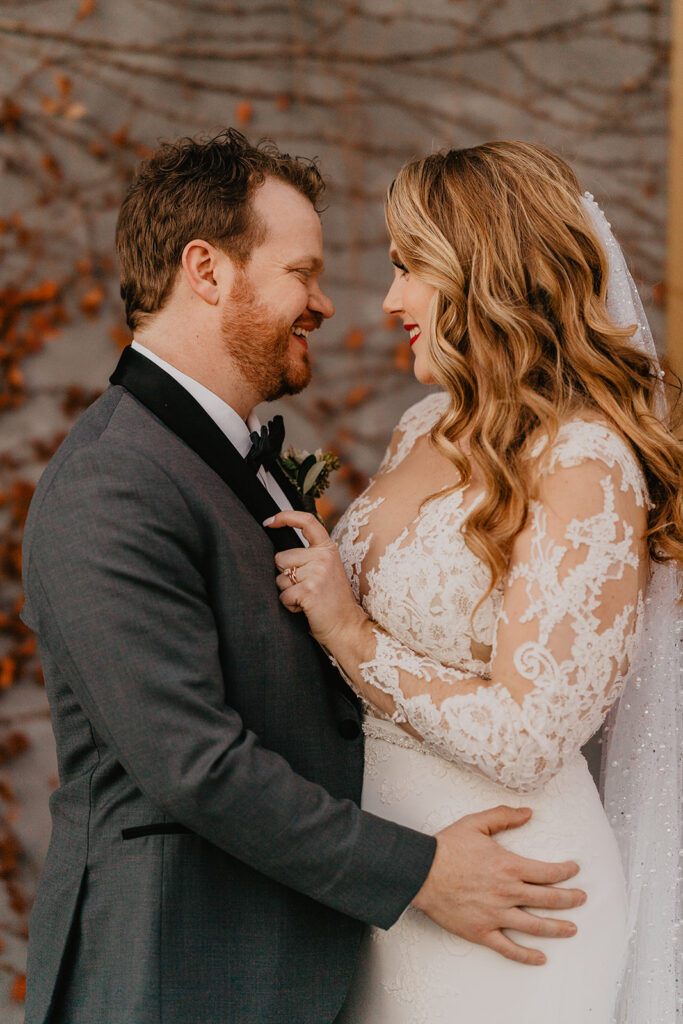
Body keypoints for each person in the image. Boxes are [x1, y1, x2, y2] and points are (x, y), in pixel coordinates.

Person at [20, 131, 586, 1024]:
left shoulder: (232, 457)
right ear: (206, 271)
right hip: (173, 970)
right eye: (302, 272)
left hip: (294, 967)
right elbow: (192, 763)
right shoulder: (111, 479)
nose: (325, 302)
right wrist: (419, 872)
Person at [266, 142, 683, 1023]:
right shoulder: (423, 424)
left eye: (409, 267)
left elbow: (532, 732)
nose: (388, 301)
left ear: (482, 271)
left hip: (515, 904)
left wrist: (347, 630)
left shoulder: (585, 461)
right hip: (393, 886)